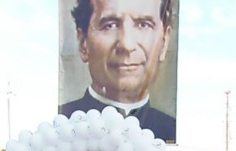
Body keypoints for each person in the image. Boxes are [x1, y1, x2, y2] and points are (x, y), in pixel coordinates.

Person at [59, 0, 176, 143]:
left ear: (164, 42)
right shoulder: (63, 126)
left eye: (143, 25)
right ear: (83, 42)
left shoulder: (170, 128)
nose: (127, 45)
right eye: (110, 26)